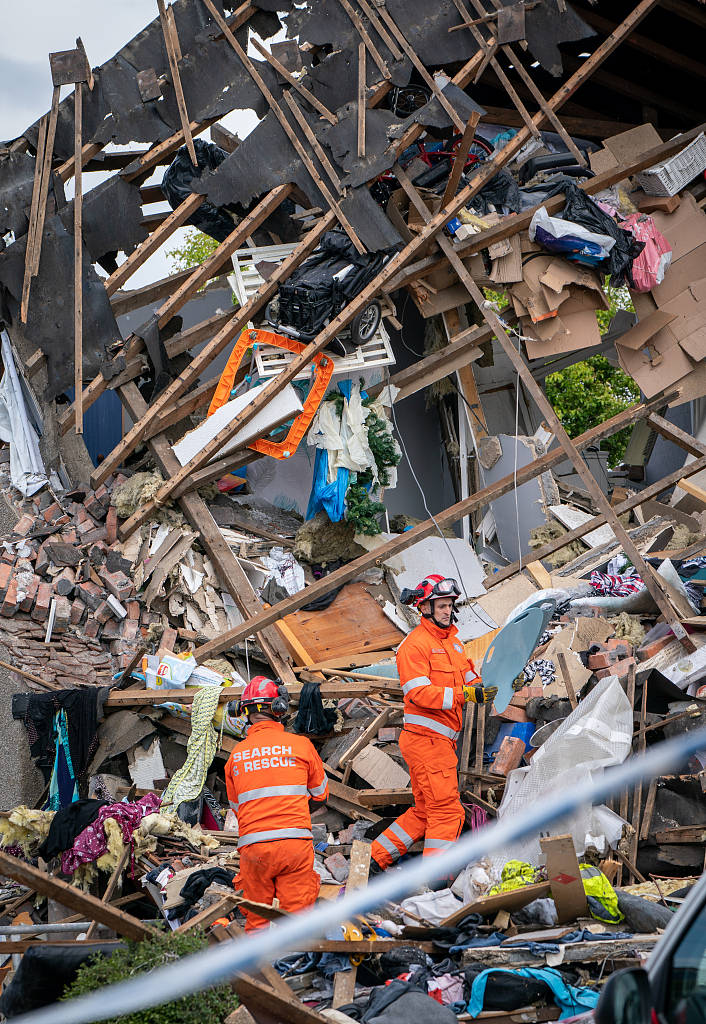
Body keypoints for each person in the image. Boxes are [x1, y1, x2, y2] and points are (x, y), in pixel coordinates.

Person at [371, 575, 503, 875]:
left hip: (437, 742)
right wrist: (464, 694)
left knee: (425, 811)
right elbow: (418, 693)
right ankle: (436, 880)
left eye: (449, 605)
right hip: (426, 741)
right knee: (447, 811)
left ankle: (373, 859)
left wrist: (501, 682)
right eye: (441, 606)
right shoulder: (414, 646)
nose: (447, 611)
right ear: (425, 608)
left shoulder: (454, 644)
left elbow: (472, 681)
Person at [224, 676, 329, 930]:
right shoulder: (301, 745)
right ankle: (294, 967)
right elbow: (322, 795)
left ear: (244, 713)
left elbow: (238, 809)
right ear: (279, 709)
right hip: (294, 846)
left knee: (257, 922)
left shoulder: (236, 755)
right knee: (297, 924)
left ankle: (258, 970)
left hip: (254, 850)